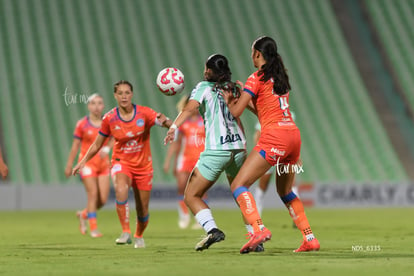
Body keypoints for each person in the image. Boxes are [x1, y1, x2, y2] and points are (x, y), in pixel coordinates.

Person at [222, 36, 319, 253]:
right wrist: (246, 98)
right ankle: (309, 238)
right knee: (285, 192)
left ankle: (259, 229)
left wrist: (231, 100)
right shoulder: (279, 77)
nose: (251, 56)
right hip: (293, 137)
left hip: (275, 138)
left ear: (257, 54)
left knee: (238, 185)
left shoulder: (255, 78)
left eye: (252, 53)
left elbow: (235, 113)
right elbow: (264, 112)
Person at [72, 80, 172, 248]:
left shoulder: (145, 113)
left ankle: (138, 235)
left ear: (132, 94)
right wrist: (82, 162)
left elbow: (166, 122)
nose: (124, 96)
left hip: (143, 166)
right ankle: (125, 232)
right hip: (121, 162)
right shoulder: (109, 118)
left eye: (127, 93)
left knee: (143, 209)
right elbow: (97, 144)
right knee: (120, 189)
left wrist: (171, 126)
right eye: (120, 93)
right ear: (115, 96)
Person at [164, 54, 247, 251]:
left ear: (209, 70)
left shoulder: (203, 87)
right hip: (239, 146)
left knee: (191, 195)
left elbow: (189, 109)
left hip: (217, 149)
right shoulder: (234, 88)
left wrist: (173, 127)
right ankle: (255, 234)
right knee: (240, 191)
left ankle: (212, 230)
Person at [65, 94, 112, 238]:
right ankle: (94, 228)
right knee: (92, 194)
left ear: (103, 106)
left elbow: (115, 137)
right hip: (87, 163)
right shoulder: (82, 124)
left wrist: (108, 148)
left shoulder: (108, 122)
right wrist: (69, 164)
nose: (96, 106)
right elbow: (75, 146)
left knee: (102, 200)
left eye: (99, 103)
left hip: (103, 164)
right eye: (93, 103)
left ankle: (83, 214)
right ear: (89, 106)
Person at [163, 95, 206, 229]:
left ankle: (200, 218)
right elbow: (176, 144)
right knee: (181, 187)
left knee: (201, 190)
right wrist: (169, 162)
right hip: (185, 159)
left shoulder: (204, 121)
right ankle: (184, 215)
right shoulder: (183, 123)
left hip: (201, 160)